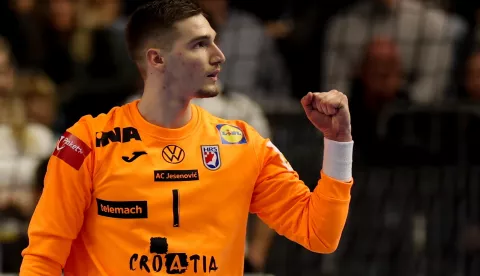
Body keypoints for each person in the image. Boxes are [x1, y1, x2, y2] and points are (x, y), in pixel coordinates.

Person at [20, 1, 354, 275]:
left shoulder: (241, 144)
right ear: (157, 59)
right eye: (199, 44)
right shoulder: (86, 142)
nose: (219, 55)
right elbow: (43, 260)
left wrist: (338, 143)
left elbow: (319, 233)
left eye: (215, 40)